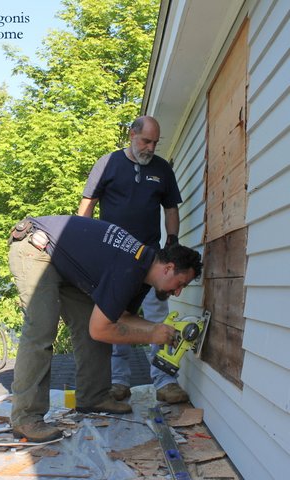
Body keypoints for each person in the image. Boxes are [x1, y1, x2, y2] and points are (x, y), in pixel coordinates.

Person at [8, 215, 203, 442]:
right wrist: (152, 333)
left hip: (61, 262)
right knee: (41, 330)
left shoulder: (143, 274)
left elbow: (120, 318)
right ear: (168, 268)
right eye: (180, 284)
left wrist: (158, 329)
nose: (178, 292)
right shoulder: (129, 268)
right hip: (36, 247)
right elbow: (100, 330)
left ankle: (93, 396)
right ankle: (26, 418)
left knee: (88, 320)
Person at [78, 115, 187, 404]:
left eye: (154, 142)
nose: (150, 147)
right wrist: (83, 242)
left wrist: (172, 244)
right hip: (112, 260)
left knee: (157, 316)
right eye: (145, 141)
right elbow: (86, 207)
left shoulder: (162, 169)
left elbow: (171, 209)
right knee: (115, 316)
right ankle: (118, 382)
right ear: (132, 135)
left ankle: (165, 381)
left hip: (151, 262)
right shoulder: (108, 164)